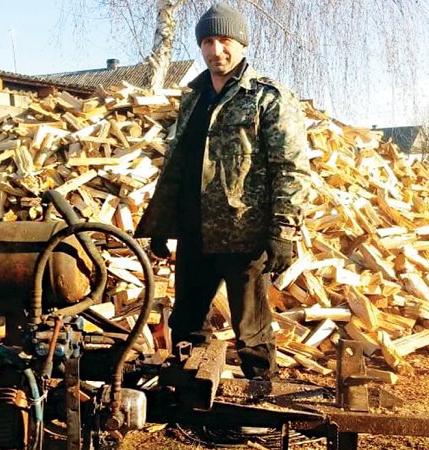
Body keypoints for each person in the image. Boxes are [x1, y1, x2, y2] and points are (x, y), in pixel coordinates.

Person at [135, 2, 312, 380]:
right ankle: (190, 397)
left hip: (244, 236)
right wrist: (162, 223)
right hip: (194, 233)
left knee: (252, 334)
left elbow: (291, 169)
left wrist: (282, 233)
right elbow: (178, 165)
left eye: (224, 40)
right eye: (208, 42)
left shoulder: (268, 97)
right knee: (187, 325)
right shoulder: (194, 98)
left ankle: (260, 400)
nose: (216, 50)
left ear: (242, 44)